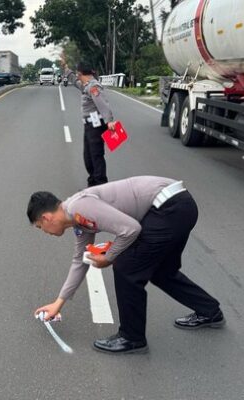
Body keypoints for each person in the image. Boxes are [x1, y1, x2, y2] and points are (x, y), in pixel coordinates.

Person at [28, 177, 225, 354]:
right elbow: (80, 261)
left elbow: (130, 230)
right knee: (162, 271)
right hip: (180, 206)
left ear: (46, 218)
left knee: (125, 267)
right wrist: (58, 303)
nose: (44, 231)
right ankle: (210, 311)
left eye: (40, 227)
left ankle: (132, 337)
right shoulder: (78, 221)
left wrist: (110, 257)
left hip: (169, 207)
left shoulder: (78, 207)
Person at [64, 62, 116, 187]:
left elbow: (102, 103)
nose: (76, 76)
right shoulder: (86, 85)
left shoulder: (93, 87)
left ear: (80, 73)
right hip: (89, 126)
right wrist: (66, 68)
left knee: (96, 156)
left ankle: (100, 185)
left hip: (96, 127)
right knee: (88, 157)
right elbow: (76, 83)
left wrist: (109, 121)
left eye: (77, 73)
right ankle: (92, 181)